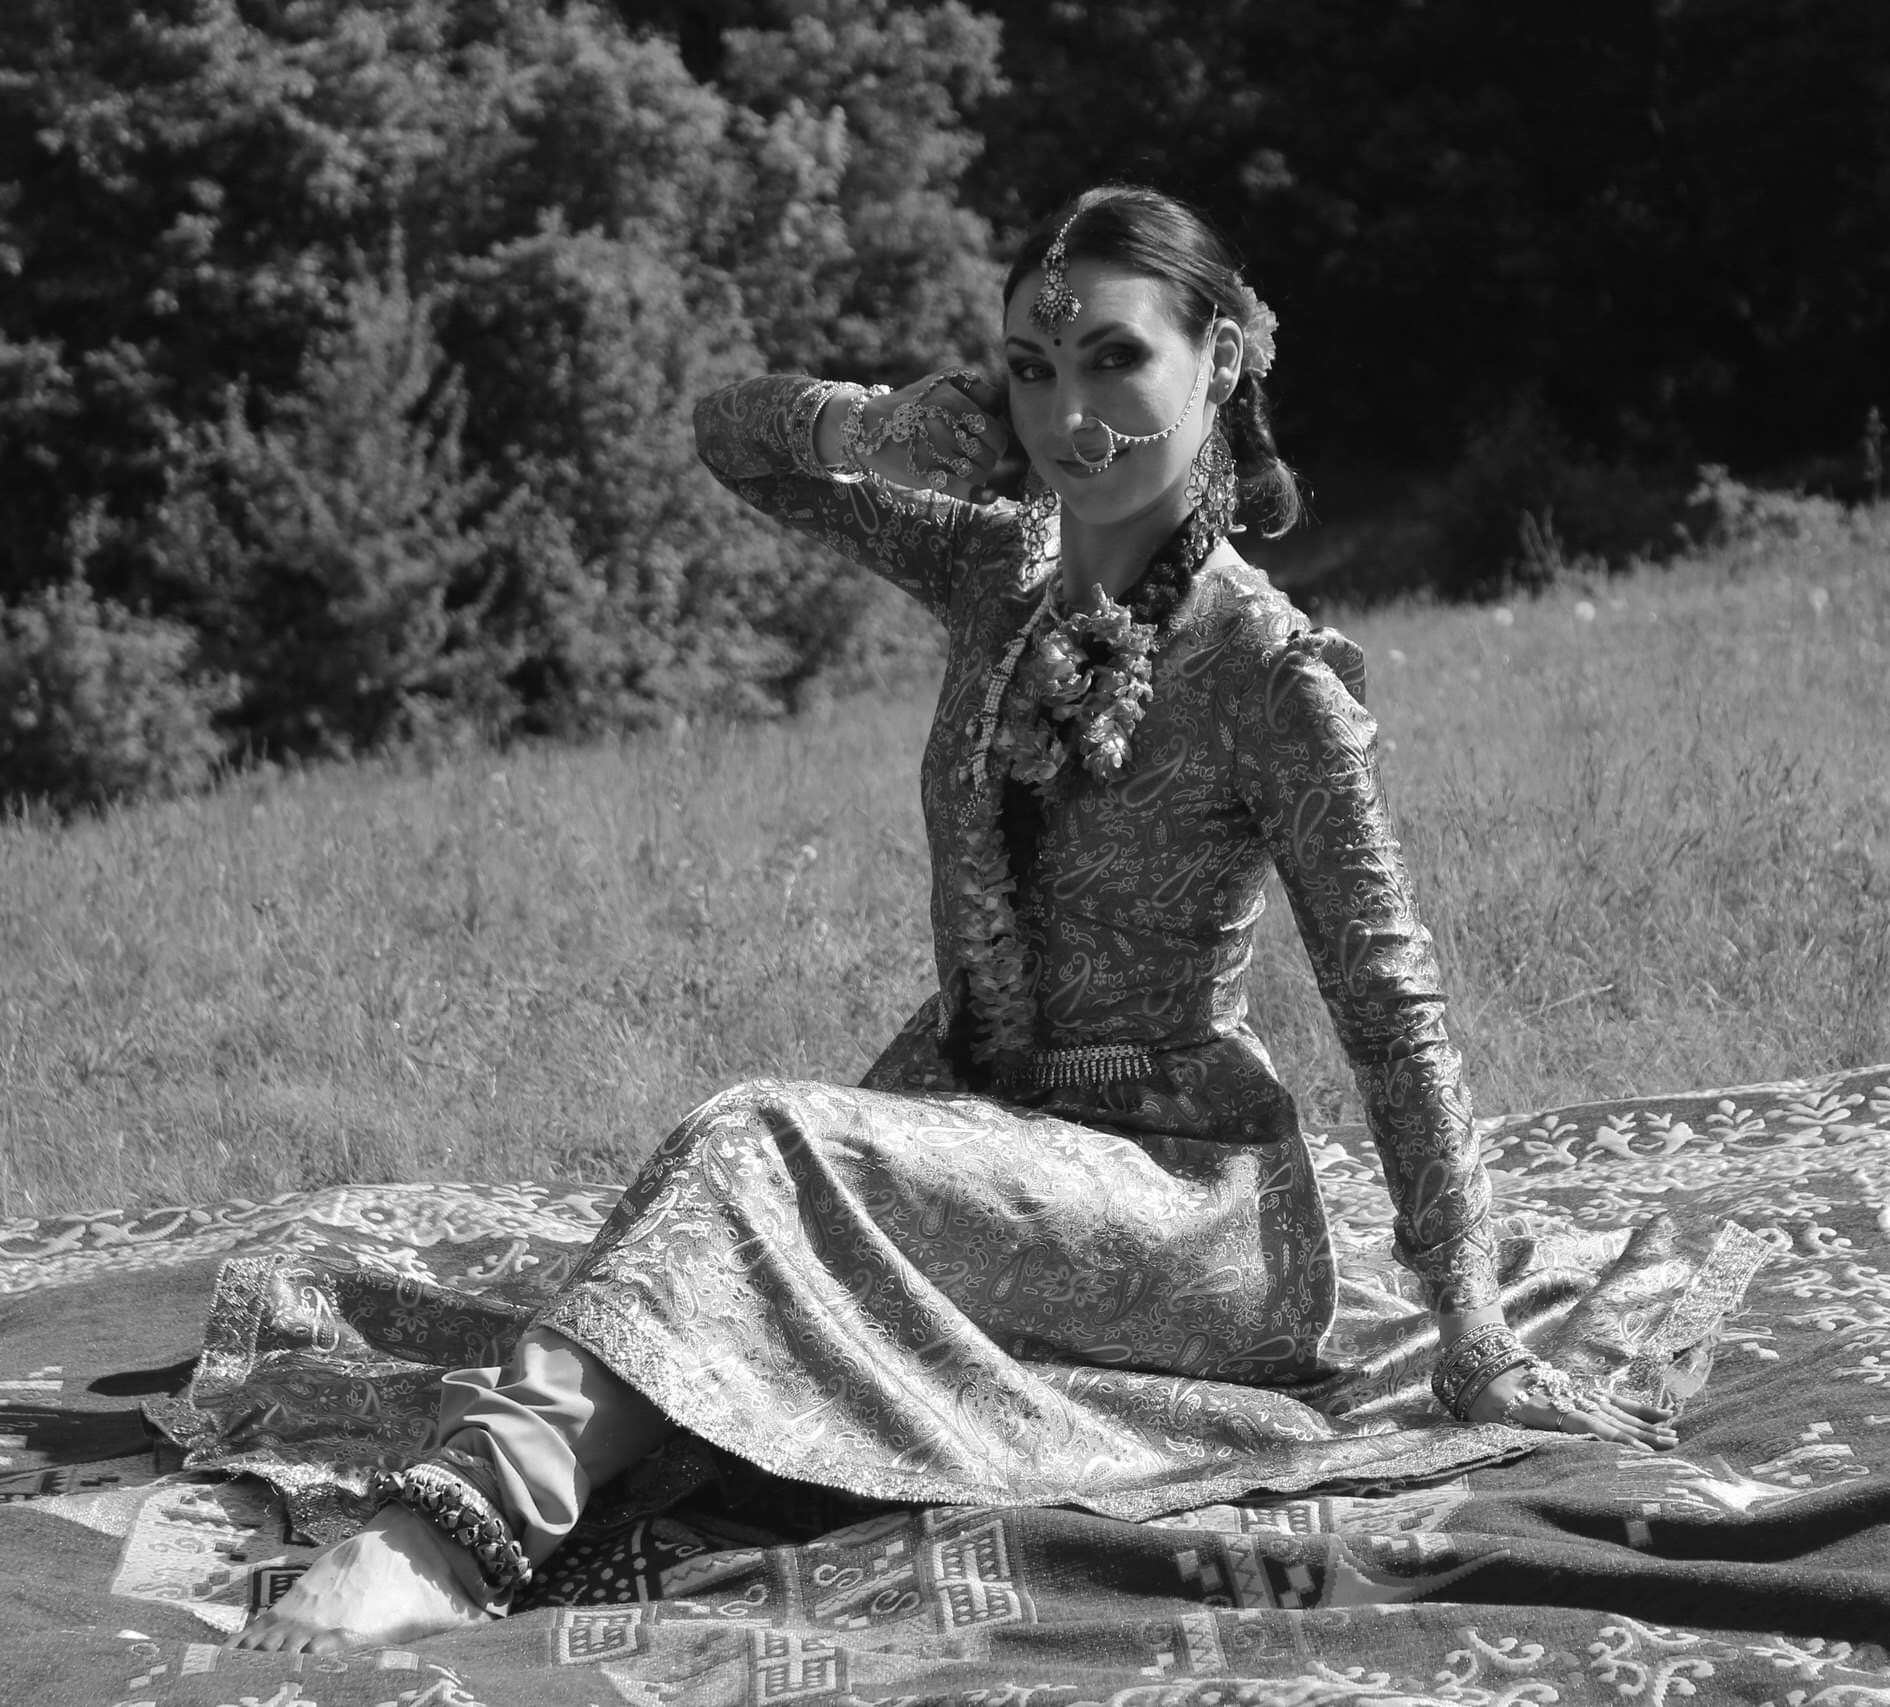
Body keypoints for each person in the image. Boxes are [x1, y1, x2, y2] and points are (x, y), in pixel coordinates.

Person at [234, 184, 1679, 1656]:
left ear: (1224, 358)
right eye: (1031, 368)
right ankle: (531, 1469)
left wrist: (1472, 1325)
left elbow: (1393, 1002)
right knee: (697, 1248)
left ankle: (452, 1532)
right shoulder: (1000, 567)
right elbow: (727, 438)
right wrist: (882, 430)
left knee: (752, 1144)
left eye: (1115, 359)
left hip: (1177, 1205)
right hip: (970, 1122)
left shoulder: (1272, 674)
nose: (1067, 411)